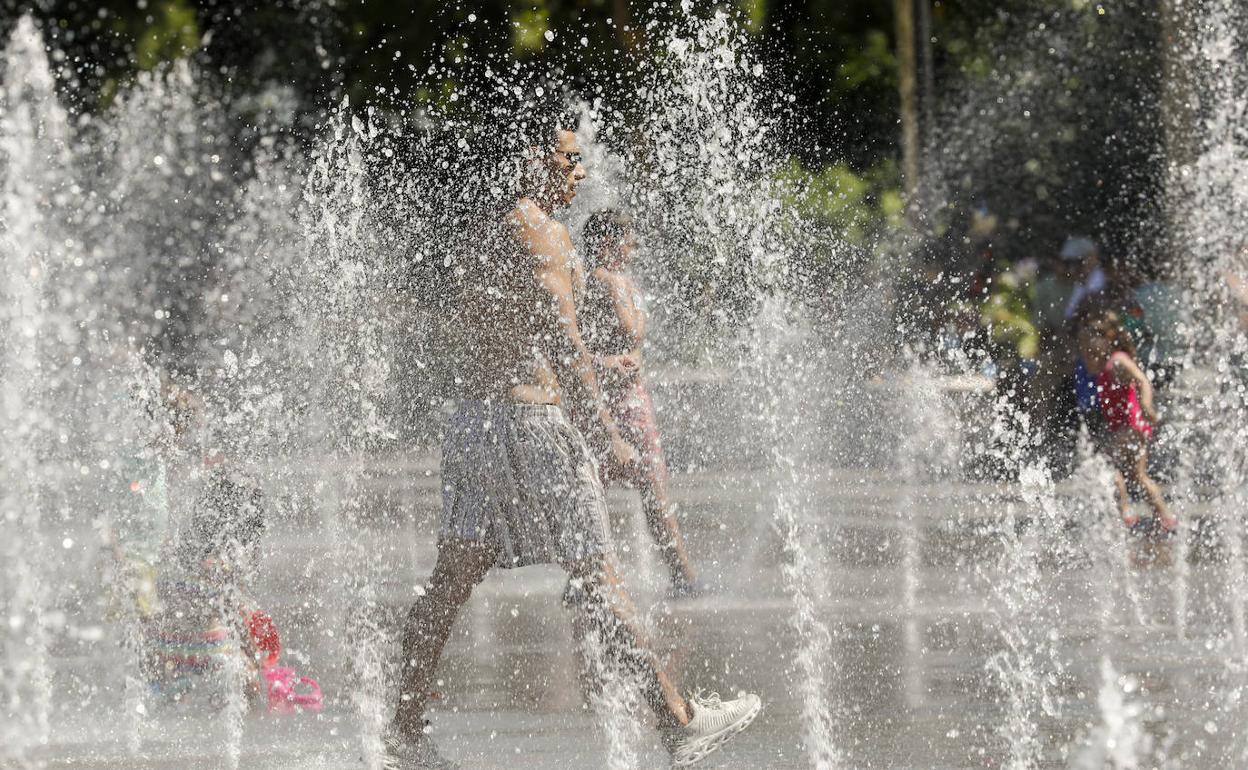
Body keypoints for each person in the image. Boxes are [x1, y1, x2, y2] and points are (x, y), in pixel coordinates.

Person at [384, 116, 760, 769]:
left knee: (447, 584)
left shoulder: (480, 232)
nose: (580, 171)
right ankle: (679, 721)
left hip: (473, 422)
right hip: (531, 424)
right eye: (570, 158)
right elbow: (565, 342)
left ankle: (404, 734)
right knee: (598, 575)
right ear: (534, 160)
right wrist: (605, 431)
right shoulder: (545, 235)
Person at [579, 209, 700, 597]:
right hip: (610, 401)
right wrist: (607, 362)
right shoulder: (595, 282)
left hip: (633, 397)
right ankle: (679, 577)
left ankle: (587, 579)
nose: (633, 247)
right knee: (608, 490)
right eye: (627, 239)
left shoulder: (623, 281)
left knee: (640, 488)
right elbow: (571, 349)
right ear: (606, 243)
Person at [1075, 309, 1176, 531]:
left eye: (1091, 346)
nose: (1087, 351)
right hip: (1125, 427)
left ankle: (1127, 512)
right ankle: (1162, 517)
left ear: (1108, 339)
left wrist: (1147, 406)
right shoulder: (1104, 365)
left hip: (1131, 427)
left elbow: (1142, 381)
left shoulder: (1118, 361)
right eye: (1084, 347)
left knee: (1110, 467)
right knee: (1135, 476)